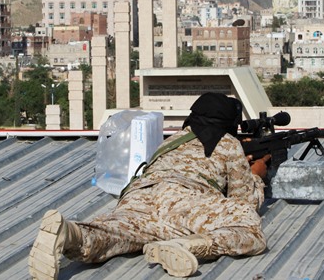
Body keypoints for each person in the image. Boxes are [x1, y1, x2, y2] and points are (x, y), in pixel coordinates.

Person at [29, 92, 270, 279]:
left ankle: (70, 233)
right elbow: (243, 201)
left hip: (139, 197)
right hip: (182, 200)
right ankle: (189, 245)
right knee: (249, 225)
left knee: (113, 236)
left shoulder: (172, 140)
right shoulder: (228, 143)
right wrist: (256, 175)